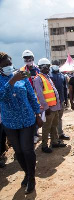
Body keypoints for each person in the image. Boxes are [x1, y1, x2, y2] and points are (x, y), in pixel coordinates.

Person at [0, 52, 43, 193]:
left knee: (27, 149)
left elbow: (31, 95)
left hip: (27, 120)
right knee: (18, 151)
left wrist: (38, 114)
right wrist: (11, 81)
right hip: (10, 122)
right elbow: (2, 97)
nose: (8, 66)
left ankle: (31, 178)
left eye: (9, 63)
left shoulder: (23, 75)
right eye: (5, 65)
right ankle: (26, 172)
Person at [33, 58, 67, 153]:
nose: (47, 68)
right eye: (45, 66)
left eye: (48, 66)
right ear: (40, 67)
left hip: (55, 107)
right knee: (47, 127)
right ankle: (44, 145)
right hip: (49, 108)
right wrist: (46, 108)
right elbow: (40, 95)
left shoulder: (47, 77)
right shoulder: (38, 78)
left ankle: (54, 142)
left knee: (54, 125)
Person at [20, 50, 40, 144]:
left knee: (39, 114)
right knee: (32, 115)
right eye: (26, 58)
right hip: (28, 96)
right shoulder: (23, 70)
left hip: (38, 96)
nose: (28, 60)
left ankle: (37, 132)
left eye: (29, 58)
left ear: (33, 58)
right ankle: (33, 134)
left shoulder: (37, 69)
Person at [49, 60, 70, 140]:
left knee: (59, 118)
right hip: (52, 102)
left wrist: (65, 100)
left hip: (60, 100)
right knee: (52, 119)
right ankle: (53, 135)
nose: (56, 66)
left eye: (57, 64)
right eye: (54, 64)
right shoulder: (49, 75)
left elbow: (65, 88)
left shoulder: (62, 76)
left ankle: (60, 133)